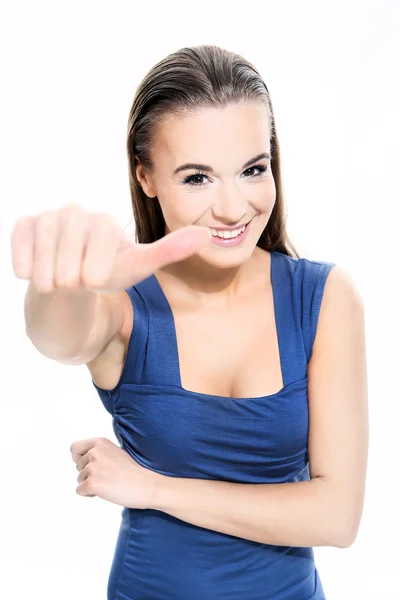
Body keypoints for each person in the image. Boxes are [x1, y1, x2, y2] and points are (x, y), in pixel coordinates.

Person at [12, 44, 368, 600]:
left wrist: (152, 488)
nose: (233, 207)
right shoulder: (123, 304)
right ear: (146, 177)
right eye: (197, 178)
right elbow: (57, 336)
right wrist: (61, 278)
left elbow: (336, 517)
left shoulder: (324, 298)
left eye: (253, 169)